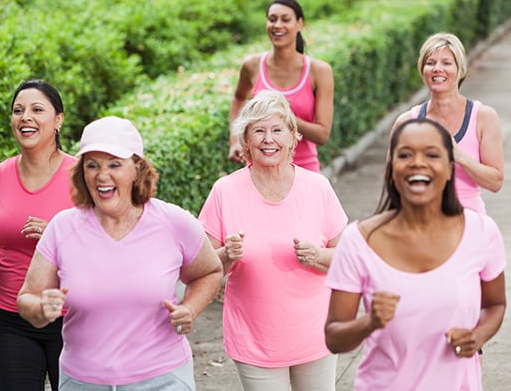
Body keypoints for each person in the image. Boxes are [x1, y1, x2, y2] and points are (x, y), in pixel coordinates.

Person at [16, 116, 223, 390]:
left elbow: (210, 271)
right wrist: (41, 309)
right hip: (82, 381)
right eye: (93, 165)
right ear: (82, 173)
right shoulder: (63, 228)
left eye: (115, 164)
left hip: (162, 379)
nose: (103, 176)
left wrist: (190, 309)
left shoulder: (172, 222)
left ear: (137, 168)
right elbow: (27, 298)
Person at [324, 118, 507, 390]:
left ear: (449, 169)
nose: (417, 162)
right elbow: (334, 337)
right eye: (405, 155)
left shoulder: (481, 232)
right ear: (391, 168)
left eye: (432, 154)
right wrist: (369, 322)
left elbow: (495, 305)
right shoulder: (358, 241)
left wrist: (477, 337)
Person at [199, 90, 348, 390]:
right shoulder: (225, 191)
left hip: (315, 334)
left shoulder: (317, 187)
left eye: (277, 130)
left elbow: (349, 257)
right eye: (259, 131)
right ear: (245, 142)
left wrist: (318, 255)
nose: (269, 139)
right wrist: (227, 254)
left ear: (293, 138)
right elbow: (202, 268)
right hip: (255, 340)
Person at [0, 79, 76, 391]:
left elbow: (111, 239)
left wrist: (58, 235)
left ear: (58, 120)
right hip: (8, 319)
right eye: (18, 110)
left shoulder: (83, 178)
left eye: (37, 109)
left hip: (73, 318)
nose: (25, 116)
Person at [393, 32, 504, 213]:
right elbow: (393, 181)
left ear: (460, 70)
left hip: (469, 221)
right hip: (420, 220)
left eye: (446, 63)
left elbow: (495, 182)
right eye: (430, 63)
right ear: (422, 70)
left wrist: (459, 156)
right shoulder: (406, 123)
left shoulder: (483, 117)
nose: (437, 68)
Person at [228, 0, 334, 173]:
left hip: (304, 170)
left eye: (285, 19)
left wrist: (284, 116)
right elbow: (238, 98)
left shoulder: (319, 71)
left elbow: (322, 135)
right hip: (258, 171)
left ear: (300, 24)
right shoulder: (252, 66)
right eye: (272, 19)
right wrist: (234, 140)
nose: (277, 25)